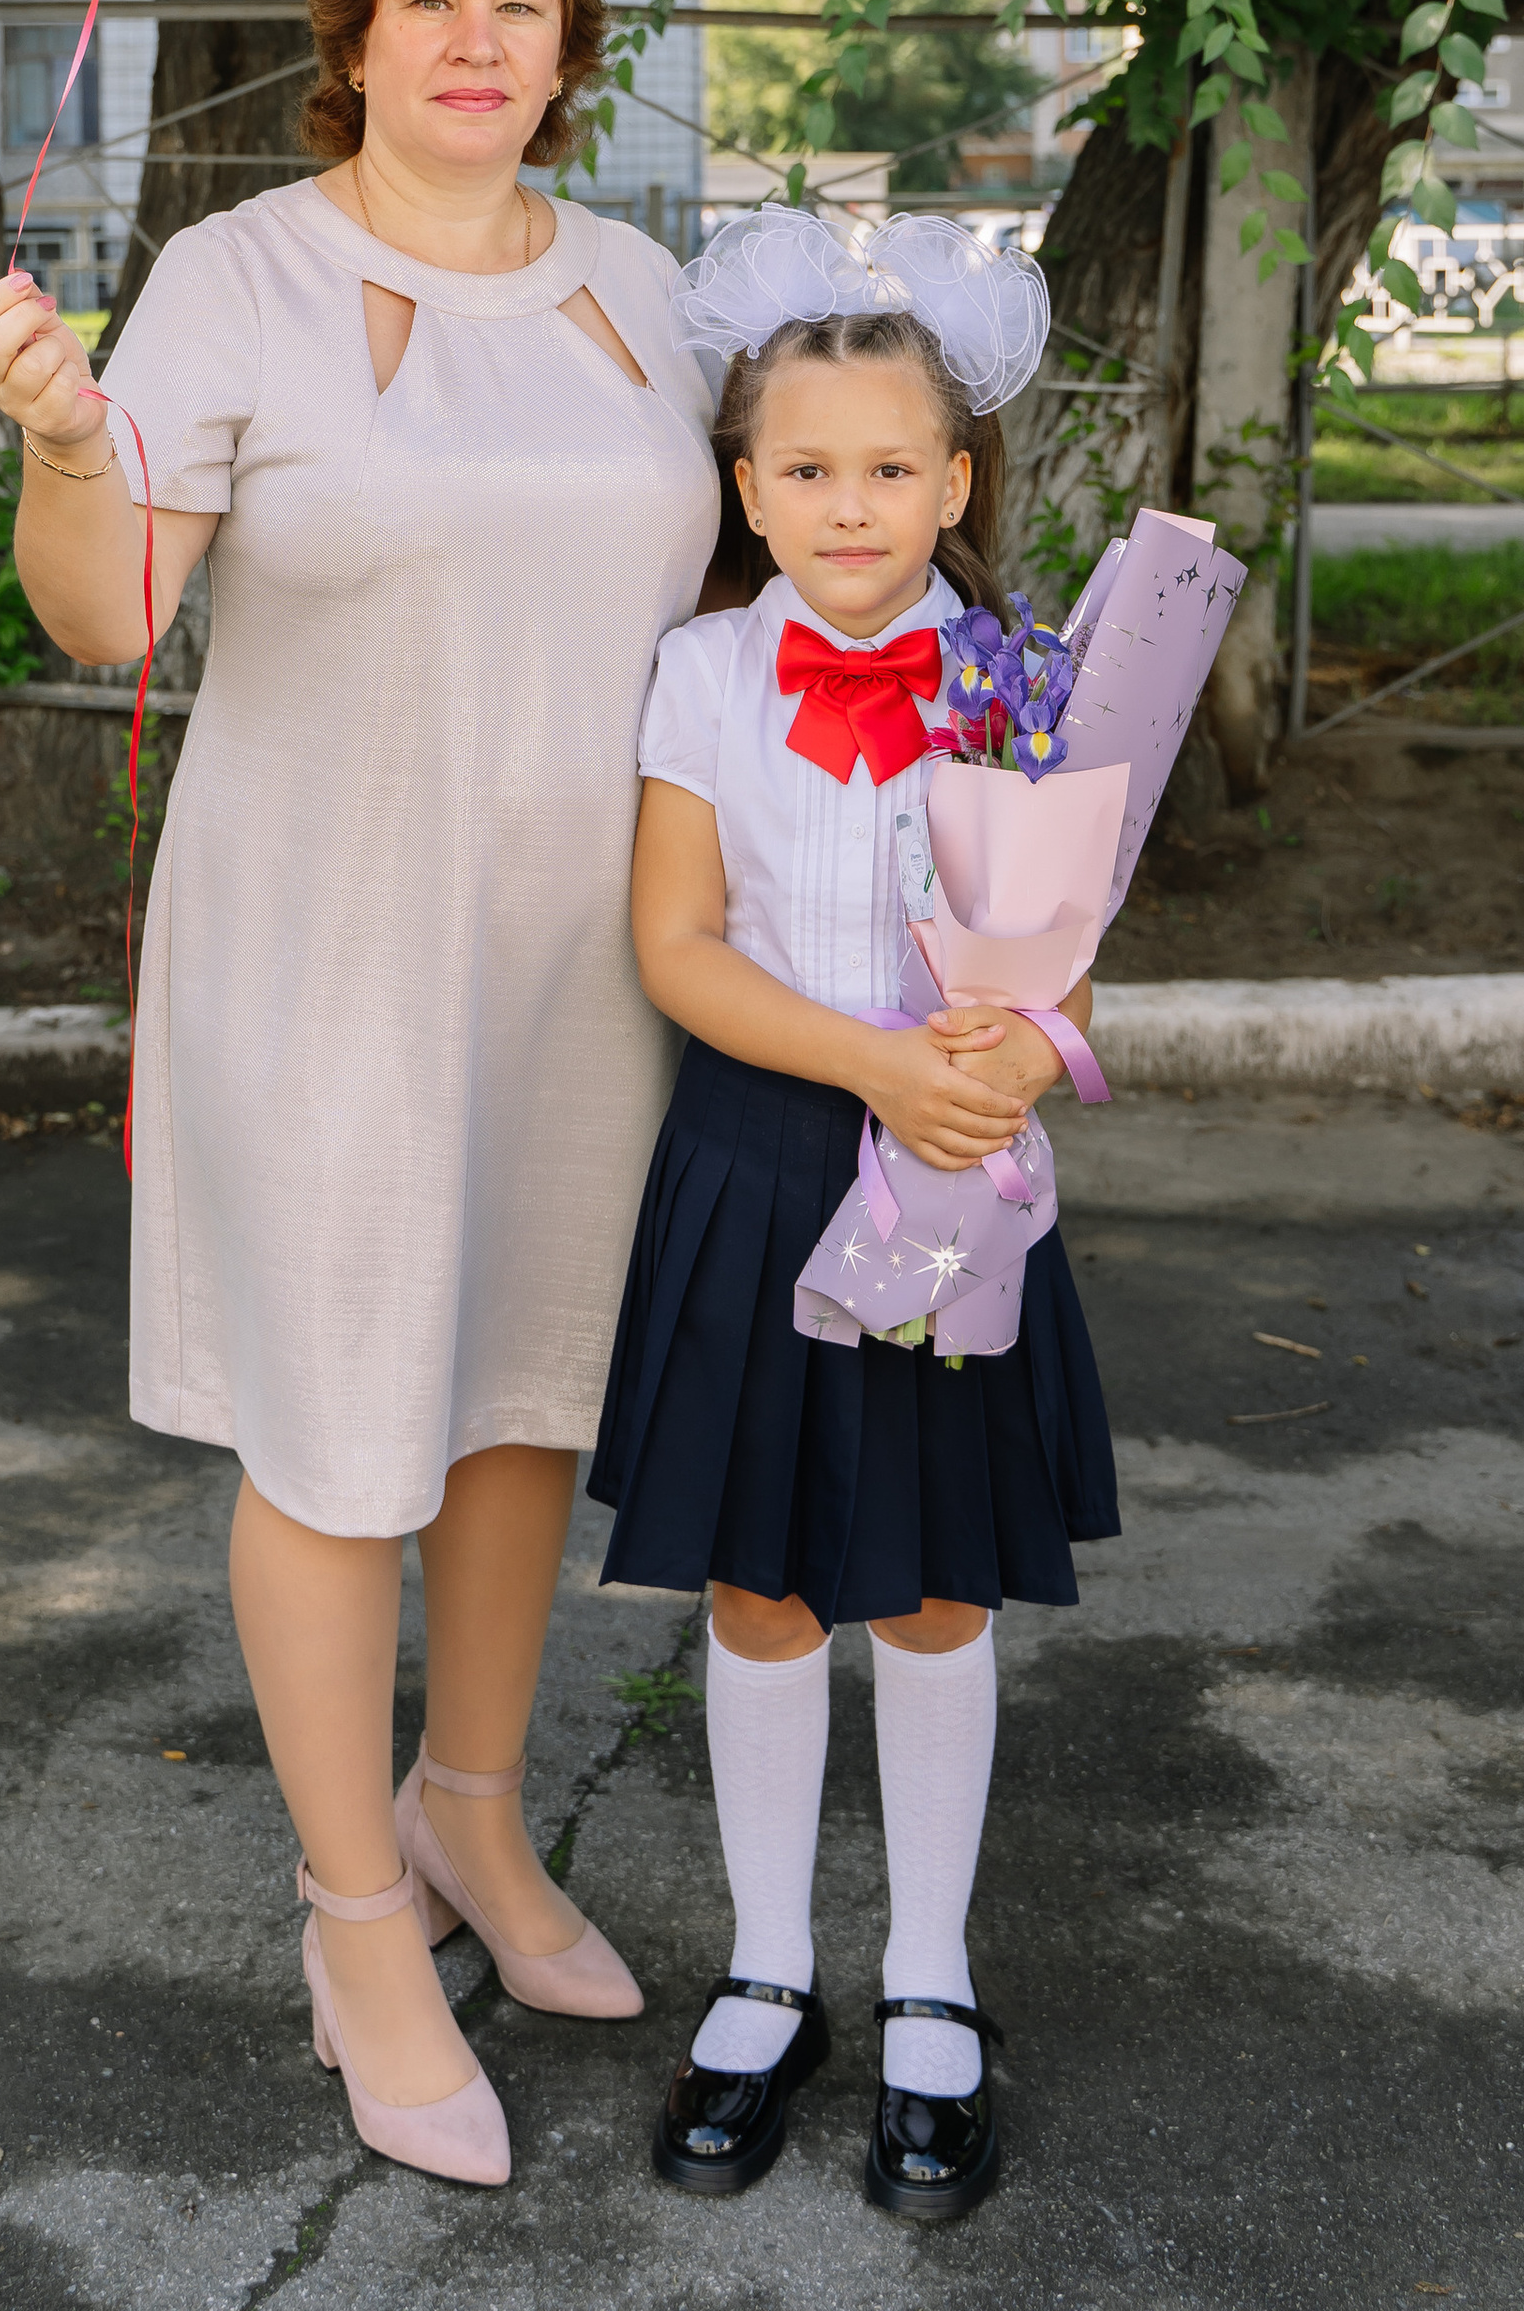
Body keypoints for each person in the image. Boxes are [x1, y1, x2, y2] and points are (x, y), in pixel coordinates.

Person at [0, 0, 720, 2190]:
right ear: (354, 37)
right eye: (431, 0)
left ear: (569, 49)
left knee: (514, 1401)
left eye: (519, 2)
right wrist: (70, 446)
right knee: (337, 1430)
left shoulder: (642, 291)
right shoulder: (236, 276)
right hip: (326, 945)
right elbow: (109, 616)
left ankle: (475, 1818)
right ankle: (358, 1918)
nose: (475, 40)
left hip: (589, 954)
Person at [589, 210, 1118, 2220]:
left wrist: (1004, 1050)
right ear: (743, 483)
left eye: (889, 467)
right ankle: (764, 1965)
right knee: (759, 1588)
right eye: (801, 468)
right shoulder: (701, 673)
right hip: (756, 1164)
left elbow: (1061, 944)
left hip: (948, 1181)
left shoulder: (1020, 675)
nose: (847, 502)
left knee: (923, 1589)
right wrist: (872, 1060)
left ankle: (925, 1979)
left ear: (956, 481)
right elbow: (673, 944)